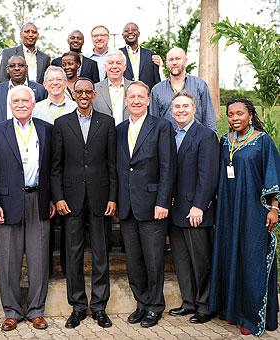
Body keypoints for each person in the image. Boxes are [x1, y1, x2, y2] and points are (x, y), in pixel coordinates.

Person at [0, 85, 55, 331]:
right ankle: (12, 311)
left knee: (38, 259)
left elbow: (53, 170)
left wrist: (53, 199)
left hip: (39, 200)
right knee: (9, 260)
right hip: (7, 202)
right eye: (16, 101)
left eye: (26, 100)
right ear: (10, 105)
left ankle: (36, 311)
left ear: (34, 104)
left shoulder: (47, 130)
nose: (22, 104)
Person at [209, 99, 280, 336]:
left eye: (240, 113)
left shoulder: (262, 141)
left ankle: (251, 318)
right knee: (232, 258)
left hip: (253, 211)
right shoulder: (225, 141)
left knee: (252, 261)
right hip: (228, 210)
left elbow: (273, 176)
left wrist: (274, 209)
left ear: (250, 115)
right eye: (230, 115)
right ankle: (233, 311)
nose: (235, 118)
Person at [51, 77, 117, 329]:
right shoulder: (62, 123)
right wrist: (58, 197)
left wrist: (112, 196)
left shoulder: (107, 123)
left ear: (94, 95)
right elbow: (55, 167)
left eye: (88, 91)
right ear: (73, 94)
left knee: (101, 254)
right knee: (74, 254)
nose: (84, 95)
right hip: (71, 200)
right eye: (79, 91)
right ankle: (77, 306)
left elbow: (112, 165)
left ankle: (99, 307)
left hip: (100, 198)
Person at [116, 81, 176, 328]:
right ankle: (141, 303)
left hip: (152, 205)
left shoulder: (161, 127)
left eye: (141, 97)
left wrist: (163, 201)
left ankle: (155, 305)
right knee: (134, 259)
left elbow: (168, 167)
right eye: (132, 97)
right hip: (127, 205)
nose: (137, 101)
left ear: (149, 100)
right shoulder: (119, 129)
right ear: (126, 100)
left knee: (153, 259)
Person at [168, 91, 219, 324]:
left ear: (194, 109)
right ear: (171, 110)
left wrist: (200, 205)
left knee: (201, 260)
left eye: (185, 106)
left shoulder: (206, 135)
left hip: (195, 210)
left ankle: (205, 305)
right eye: (176, 107)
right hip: (175, 209)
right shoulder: (169, 133)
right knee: (182, 260)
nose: (180, 110)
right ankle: (188, 302)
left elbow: (208, 175)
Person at [32, 65, 77, 275]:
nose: (56, 83)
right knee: (45, 223)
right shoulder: (36, 108)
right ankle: (46, 270)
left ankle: (69, 269)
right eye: (51, 80)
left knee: (69, 223)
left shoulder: (75, 107)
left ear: (66, 82)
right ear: (45, 84)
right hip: (42, 172)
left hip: (68, 172)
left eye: (60, 79)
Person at [150, 47, 217, 132]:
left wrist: (212, 139)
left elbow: (209, 117)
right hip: (167, 141)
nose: (174, 63)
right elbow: (153, 122)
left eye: (178, 59)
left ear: (185, 61)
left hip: (196, 140)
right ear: (166, 63)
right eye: (171, 60)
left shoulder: (200, 85)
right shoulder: (157, 90)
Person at [0, 55, 47, 124]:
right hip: (1, 133)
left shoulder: (40, 90)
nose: (17, 68)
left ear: (26, 69)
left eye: (21, 65)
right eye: (12, 66)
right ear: (7, 70)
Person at [93, 50, 131, 126]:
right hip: (103, 135)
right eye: (110, 63)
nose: (114, 66)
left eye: (118, 63)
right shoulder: (95, 89)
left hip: (129, 134)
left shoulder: (134, 87)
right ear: (105, 66)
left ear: (125, 67)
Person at [119, 22, 161, 89]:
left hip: (146, 97)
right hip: (124, 96)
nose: (130, 32)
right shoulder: (117, 54)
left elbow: (157, 81)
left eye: (134, 30)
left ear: (139, 33)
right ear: (123, 35)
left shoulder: (150, 55)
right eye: (126, 31)